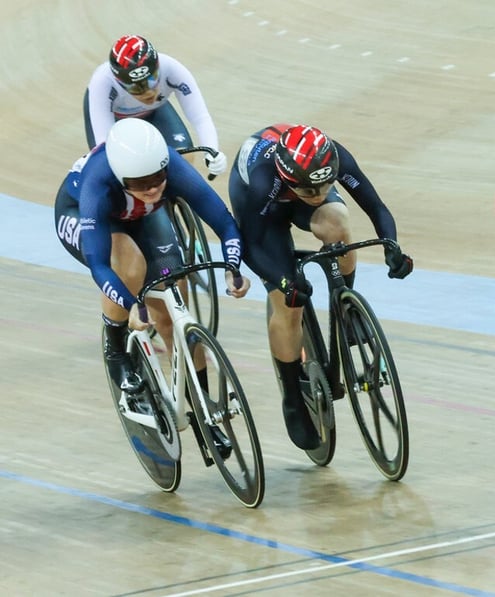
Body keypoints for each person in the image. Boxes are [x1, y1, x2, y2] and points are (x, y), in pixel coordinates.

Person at [228, 123, 414, 450]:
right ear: (288, 180)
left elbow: (377, 208)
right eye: (308, 191)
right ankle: (291, 397)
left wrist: (392, 248)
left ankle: (346, 306)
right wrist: (285, 282)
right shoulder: (263, 179)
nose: (316, 197)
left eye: (323, 186)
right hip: (262, 210)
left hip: (296, 182)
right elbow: (251, 247)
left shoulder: (335, 158)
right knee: (288, 305)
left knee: (337, 223)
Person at [53, 118, 251, 411]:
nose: (152, 189)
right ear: (121, 178)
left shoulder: (172, 166)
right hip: (84, 215)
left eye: (158, 179)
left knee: (174, 310)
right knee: (130, 265)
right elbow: (99, 264)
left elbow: (223, 222)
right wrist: (129, 303)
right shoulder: (98, 182)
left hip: (138, 215)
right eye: (140, 184)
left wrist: (233, 268)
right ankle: (115, 345)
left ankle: (201, 403)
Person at [83, 34, 227, 177]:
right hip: (116, 121)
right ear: (119, 83)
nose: (148, 93)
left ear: (158, 68)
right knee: (118, 172)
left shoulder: (172, 68)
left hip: (152, 112)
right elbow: (105, 145)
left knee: (183, 160)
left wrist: (212, 150)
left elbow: (200, 117)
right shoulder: (102, 84)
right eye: (136, 88)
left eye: (152, 81)